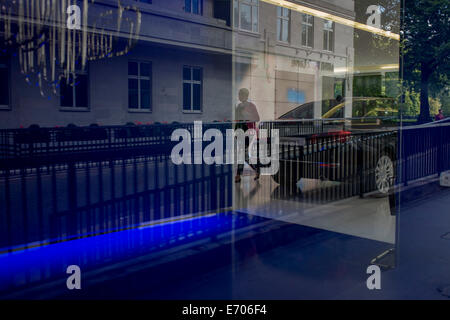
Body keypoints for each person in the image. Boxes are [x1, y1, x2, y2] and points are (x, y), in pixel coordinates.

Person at [235, 88, 260, 183]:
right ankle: (256, 169)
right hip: (240, 132)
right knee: (243, 155)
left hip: (249, 132)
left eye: (240, 94)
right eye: (239, 94)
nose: (239, 96)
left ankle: (238, 175)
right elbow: (237, 120)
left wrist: (247, 115)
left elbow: (257, 118)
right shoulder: (238, 106)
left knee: (242, 154)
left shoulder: (251, 106)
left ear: (245, 96)